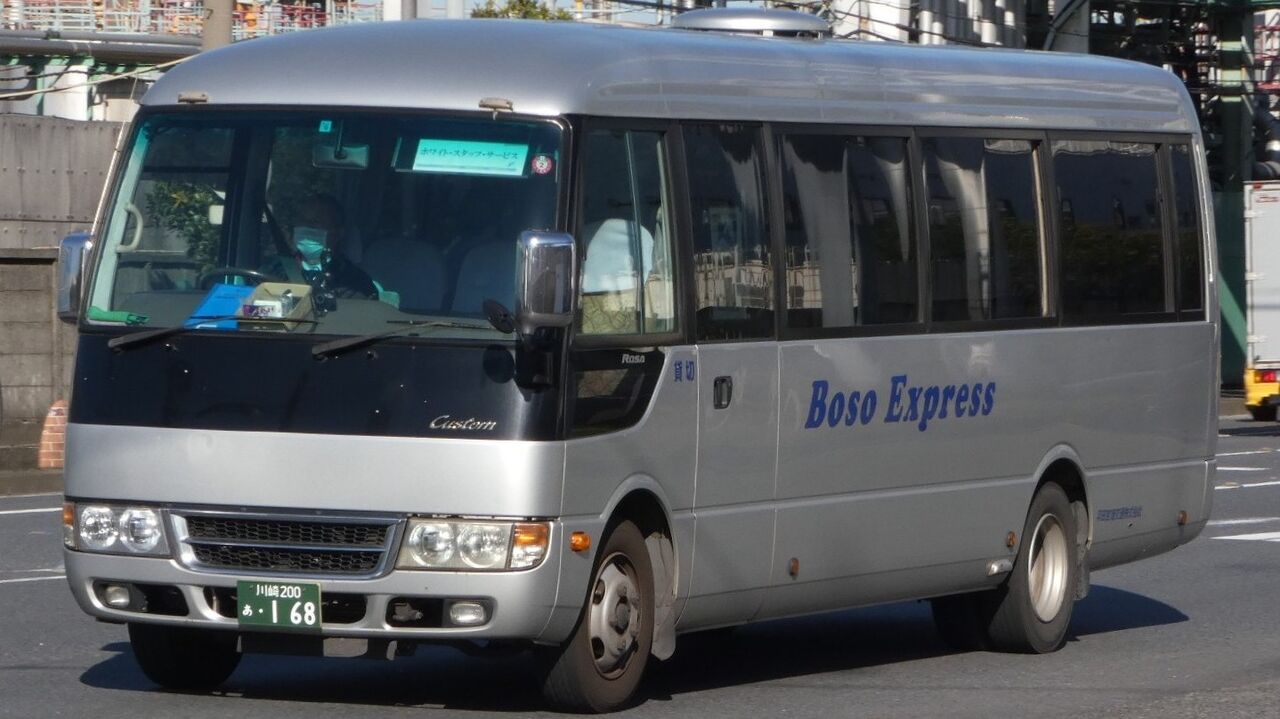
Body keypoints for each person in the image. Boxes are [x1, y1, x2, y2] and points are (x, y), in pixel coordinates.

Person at [266, 194, 377, 309]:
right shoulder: (272, 271)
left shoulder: (356, 282)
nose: (307, 226)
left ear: (338, 233)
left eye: (316, 222)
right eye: (302, 220)